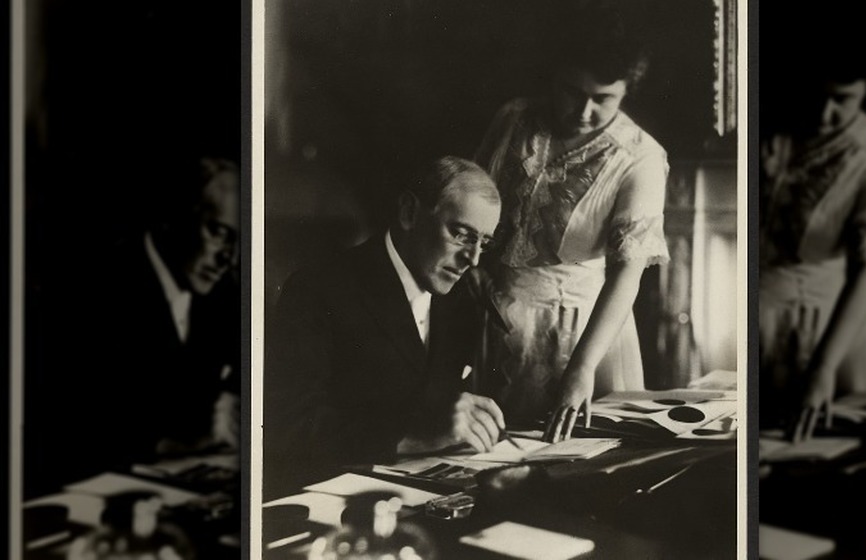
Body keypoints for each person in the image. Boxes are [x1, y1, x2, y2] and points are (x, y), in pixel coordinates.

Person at [474, 1, 668, 442]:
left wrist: (582, 371)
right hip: (492, 316)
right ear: (553, 76)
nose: (583, 111)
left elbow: (626, 275)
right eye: (571, 91)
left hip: (579, 333)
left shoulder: (640, 158)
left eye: (603, 99)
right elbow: (472, 201)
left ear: (626, 91)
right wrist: (474, 269)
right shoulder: (514, 119)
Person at [264, 156, 507, 497]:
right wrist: (415, 435)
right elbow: (285, 426)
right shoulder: (318, 288)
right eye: (461, 234)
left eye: (485, 242)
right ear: (409, 212)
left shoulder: (461, 297)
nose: (474, 259)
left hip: (426, 494)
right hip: (334, 501)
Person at [26, 156, 241, 494]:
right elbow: (72, 431)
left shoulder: (221, 294)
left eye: (239, 242)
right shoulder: (92, 287)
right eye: (218, 233)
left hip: (178, 489)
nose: (228, 259)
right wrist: (174, 443)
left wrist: (231, 401)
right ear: (173, 217)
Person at [759, 3, 866, 442]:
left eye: (844, 100)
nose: (825, 113)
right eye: (817, 94)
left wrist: (823, 368)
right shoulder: (773, 130)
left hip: (824, 332)